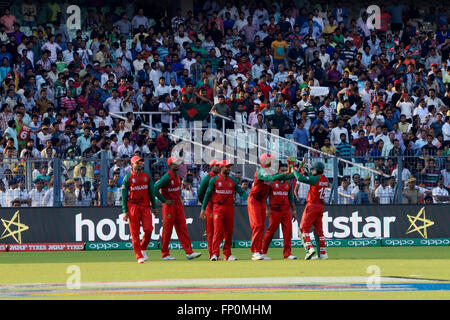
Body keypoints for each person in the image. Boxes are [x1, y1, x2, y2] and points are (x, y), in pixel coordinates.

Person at [247, 153, 294, 261]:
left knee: (261, 226)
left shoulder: (270, 171)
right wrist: (287, 172)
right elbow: (271, 177)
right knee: (258, 225)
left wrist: (296, 172)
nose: (272, 161)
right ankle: (255, 252)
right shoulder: (260, 171)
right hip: (254, 200)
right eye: (270, 159)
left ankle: (260, 252)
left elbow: (285, 176)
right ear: (265, 161)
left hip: (261, 201)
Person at [154, 157, 201, 261]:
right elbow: (154, 189)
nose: (178, 165)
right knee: (167, 230)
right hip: (169, 206)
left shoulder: (178, 176)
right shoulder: (166, 177)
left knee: (182, 228)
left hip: (178, 205)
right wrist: (164, 200)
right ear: (170, 165)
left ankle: (189, 252)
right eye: (175, 163)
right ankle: (165, 254)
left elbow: (176, 190)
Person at [200, 160, 248, 261]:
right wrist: (203, 209)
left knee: (229, 232)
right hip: (218, 208)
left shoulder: (233, 180)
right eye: (227, 167)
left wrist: (249, 199)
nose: (229, 169)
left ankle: (227, 254)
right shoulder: (214, 180)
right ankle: (214, 254)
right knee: (217, 231)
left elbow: (240, 192)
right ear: (221, 168)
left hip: (229, 207)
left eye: (229, 167)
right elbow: (207, 194)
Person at [121, 155, 162, 264]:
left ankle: (143, 248)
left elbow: (152, 192)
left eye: (141, 163)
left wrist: (154, 206)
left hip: (145, 206)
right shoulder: (127, 178)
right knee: (134, 233)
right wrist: (124, 211)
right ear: (132, 164)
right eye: (137, 163)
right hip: (133, 206)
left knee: (148, 229)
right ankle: (139, 255)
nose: (140, 164)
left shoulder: (147, 175)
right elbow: (124, 196)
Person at [261, 162, 297, 260]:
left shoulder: (288, 183)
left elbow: (291, 197)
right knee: (270, 232)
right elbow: (264, 197)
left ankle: (287, 254)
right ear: (277, 171)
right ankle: (263, 252)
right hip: (275, 211)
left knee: (288, 232)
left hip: (286, 211)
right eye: (282, 171)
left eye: (286, 171)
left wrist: (293, 211)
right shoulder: (272, 182)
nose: (285, 173)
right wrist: (266, 209)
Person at [293, 161, 329, 260]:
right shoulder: (324, 179)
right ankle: (323, 253)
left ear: (316, 170)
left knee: (303, 229)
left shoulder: (315, 179)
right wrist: (304, 170)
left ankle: (309, 249)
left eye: (313, 169)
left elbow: (300, 178)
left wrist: (294, 169)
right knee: (319, 231)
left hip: (312, 206)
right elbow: (311, 177)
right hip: (320, 207)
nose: (311, 171)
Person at [197, 159, 220, 258]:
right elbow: (200, 193)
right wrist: (205, 205)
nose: (218, 167)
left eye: (219, 165)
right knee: (211, 232)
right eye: (216, 165)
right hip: (210, 208)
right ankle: (212, 254)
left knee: (219, 231)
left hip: (218, 207)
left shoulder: (220, 177)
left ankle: (216, 253)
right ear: (211, 166)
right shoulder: (207, 178)